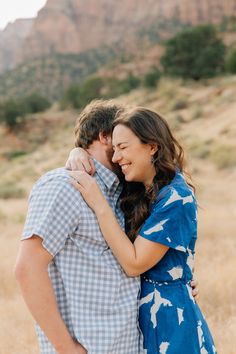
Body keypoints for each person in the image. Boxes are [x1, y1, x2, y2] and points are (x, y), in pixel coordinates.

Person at [69, 106, 216, 353]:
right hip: (139, 324)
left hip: (171, 326)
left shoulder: (176, 198)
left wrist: (99, 204)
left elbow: (134, 263)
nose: (116, 158)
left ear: (152, 146)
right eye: (114, 148)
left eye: (123, 147)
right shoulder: (138, 191)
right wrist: (76, 151)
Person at [14, 100, 142, 354]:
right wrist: (66, 348)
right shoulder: (63, 186)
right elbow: (27, 268)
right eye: (124, 140)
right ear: (105, 137)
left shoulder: (124, 194)